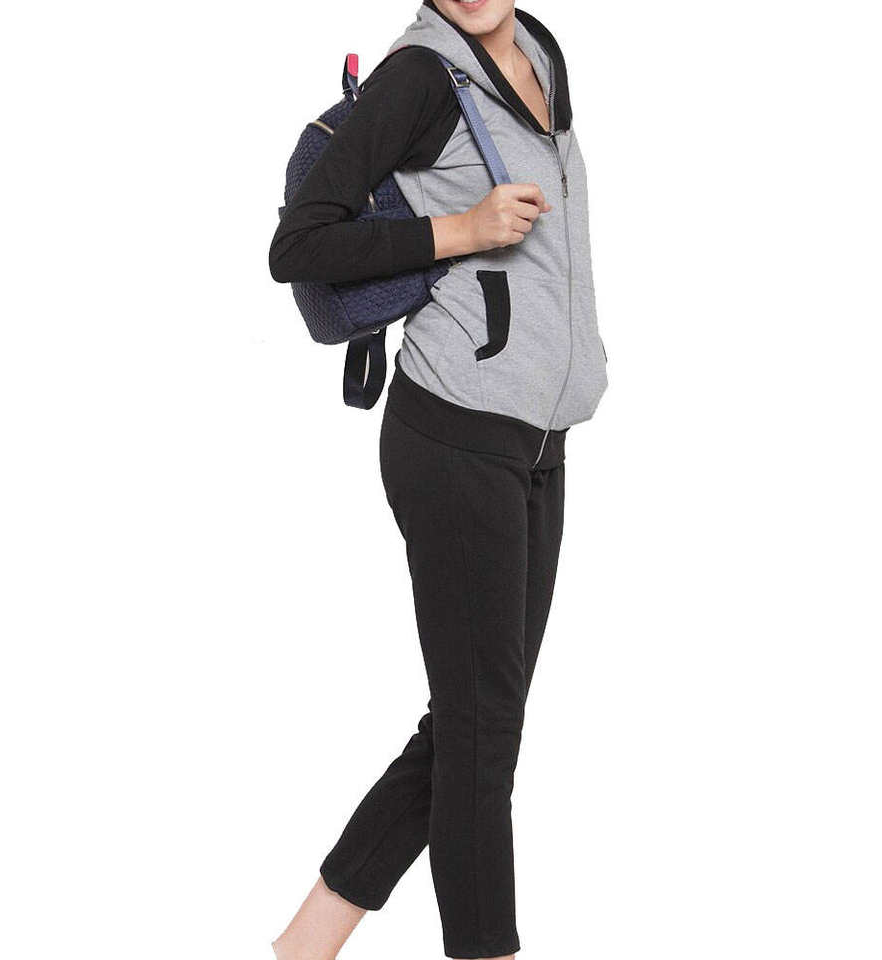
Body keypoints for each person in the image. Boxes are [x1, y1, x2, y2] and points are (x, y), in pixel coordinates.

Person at [268, 2, 607, 957]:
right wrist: (458, 230)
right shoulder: (420, 77)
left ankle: (304, 945)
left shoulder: (540, 49)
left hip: (538, 443)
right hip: (455, 434)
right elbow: (298, 246)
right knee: (480, 736)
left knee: (474, 725)